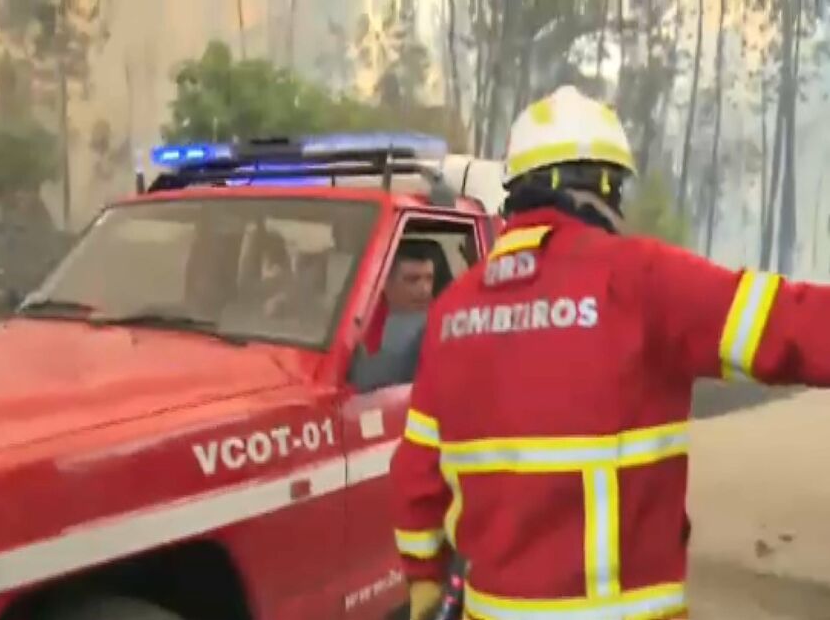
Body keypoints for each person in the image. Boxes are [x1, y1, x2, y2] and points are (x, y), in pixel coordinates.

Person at [390, 84, 830, 620]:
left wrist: (424, 579)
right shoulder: (640, 280)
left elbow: (416, 474)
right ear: (602, 189)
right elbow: (794, 326)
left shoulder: (452, 311)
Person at [350, 241, 435, 391]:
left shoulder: (441, 321)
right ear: (385, 283)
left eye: (429, 279)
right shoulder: (361, 318)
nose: (424, 290)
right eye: (412, 280)